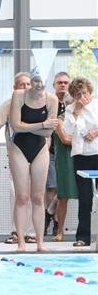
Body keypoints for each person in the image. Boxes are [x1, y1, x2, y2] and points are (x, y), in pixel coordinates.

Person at [8, 68, 59, 252]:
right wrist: (42, 124)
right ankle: (21, 242)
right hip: (19, 148)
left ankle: (39, 243)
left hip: (40, 149)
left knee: (38, 197)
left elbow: (48, 132)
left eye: (41, 81)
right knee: (21, 197)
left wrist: (29, 126)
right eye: (35, 81)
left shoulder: (52, 100)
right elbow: (15, 126)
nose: (38, 85)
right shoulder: (19, 96)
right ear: (31, 81)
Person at [0, 72, 33, 245]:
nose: (26, 87)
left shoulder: (40, 103)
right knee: (17, 194)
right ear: (15, 88)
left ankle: (31, 232)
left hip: (37, 156)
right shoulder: (9, 104)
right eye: (22, 84)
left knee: (35, 195)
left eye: (28, 84)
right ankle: (16, 231)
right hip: (16, 155)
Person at [63, 77, 98, 247]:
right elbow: (67, 131)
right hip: (81, 155)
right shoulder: (70, 109)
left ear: (89, 91)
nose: (82, 96)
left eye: (84, 92)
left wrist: (95, 132)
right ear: (73, 96)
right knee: (85, 198)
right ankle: (82, 236)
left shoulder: (97, 104)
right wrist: (76, 110)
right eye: (78, 94)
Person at [49, 73, 76, 241]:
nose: (63, 85)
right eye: (60, 82)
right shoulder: (50, 103)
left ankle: (51, 213)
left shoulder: (74, 107)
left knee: (61, 191)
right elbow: (64, 137)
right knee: (58, 190)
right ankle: (54, 223)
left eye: (66, 83)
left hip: (74, 153)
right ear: (54, 84)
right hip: (52, 151)